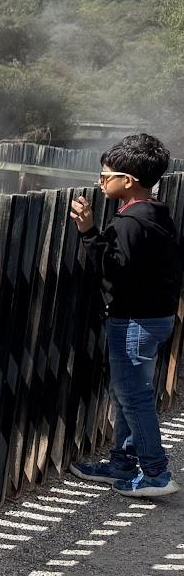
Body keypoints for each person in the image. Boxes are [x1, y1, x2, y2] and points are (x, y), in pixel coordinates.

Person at [69, 132, 184, 498]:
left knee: (133, 397)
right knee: (127, 394)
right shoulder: (154, 212)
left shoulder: (130, 222)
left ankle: (156, 474)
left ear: (128, 180)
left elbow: (113, 271)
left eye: (105, 175)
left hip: (135, 321)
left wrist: (87, 231)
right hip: (154, 317)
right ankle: (121, 464)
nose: (100, 181)